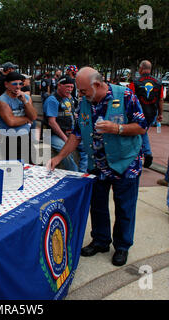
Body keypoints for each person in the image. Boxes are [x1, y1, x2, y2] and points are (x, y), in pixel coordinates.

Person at [48, 67, 147, 266]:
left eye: (84, 91)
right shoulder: (84, 103)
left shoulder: (125, 96)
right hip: (98, 164)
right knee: (98, 205)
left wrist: (117, 128)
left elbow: (142, 126)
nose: (81, 95)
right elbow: (76, 135)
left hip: (125, 163)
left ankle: (122, 246)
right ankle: (101, 240)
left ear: (97, 84)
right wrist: (58, 158)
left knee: (125, 207)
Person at [128, 60, 164, 168]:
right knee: (143, 132)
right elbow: (161, 99)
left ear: (141, 68)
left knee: (138, 132)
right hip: (152, 113)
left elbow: (129, 98)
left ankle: (143, 154)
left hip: (139, 113)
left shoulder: (135, 82)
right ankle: (146, 152)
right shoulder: (158, 83)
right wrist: (160, 114)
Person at [0, 72, 37, 162]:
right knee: (14, 171)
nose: (18, 87)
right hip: (9, 139)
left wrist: (25, 101)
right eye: (14, 84)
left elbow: (33, 116)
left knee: (31, 167)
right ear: (6, 84)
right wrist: (26, 119)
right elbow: (11, 122)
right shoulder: (2, 101)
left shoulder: (25, 97)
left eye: (20, 84)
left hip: (25, 137)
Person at [43, 75, 81, 171]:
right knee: (64, 149)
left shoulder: (70, 98)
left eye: (72, 87)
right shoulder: (52, 100)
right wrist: (66, 139)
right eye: (67, 86)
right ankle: (74, 173)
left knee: (87, 147)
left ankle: (85, 172)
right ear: (59, 85)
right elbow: (52, 123)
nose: (70, 89)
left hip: (70, 132)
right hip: (52, 134)